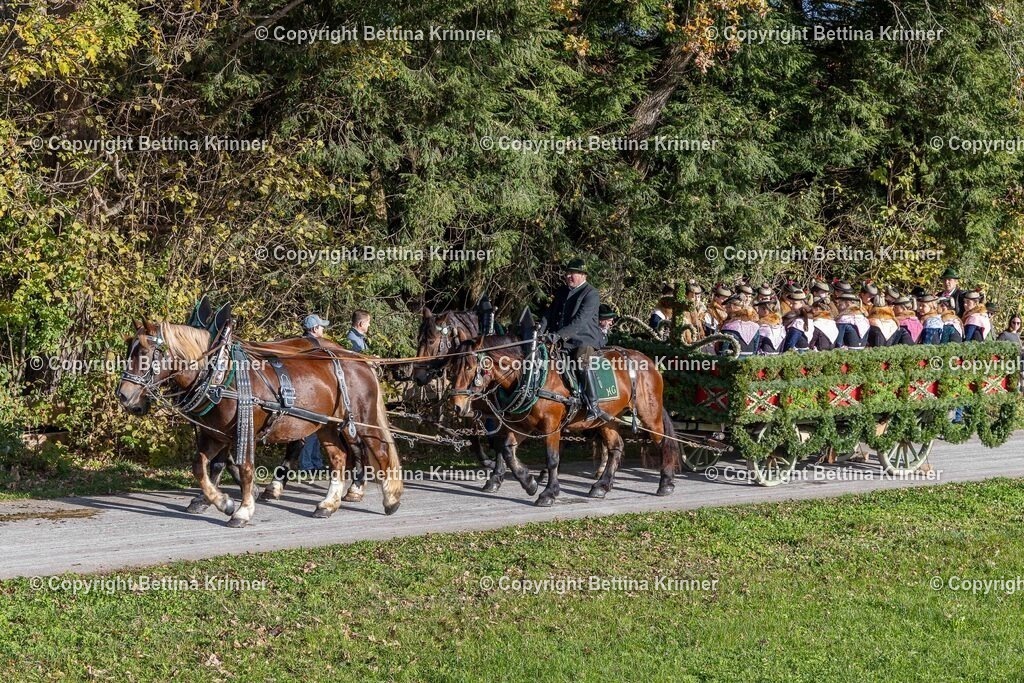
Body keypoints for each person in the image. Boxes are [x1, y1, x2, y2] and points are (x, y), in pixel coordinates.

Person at [540, 257, 604, 420]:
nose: (568, 276)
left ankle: (593, 404)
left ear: (583, 275)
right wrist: (540, 331)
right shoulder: (562, 291)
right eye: (567, 273)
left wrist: (559, 335)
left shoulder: (591, 293)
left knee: (581, 362)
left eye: (573, 274)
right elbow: (550, 313)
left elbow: (580, 321)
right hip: (561, 339)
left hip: (584, 339)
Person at [290, 314, 330, 471]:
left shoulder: (301, 342)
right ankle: (307, 464)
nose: (323, 329)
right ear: (314, 329)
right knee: (309, 432)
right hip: (309, 392)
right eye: (321, 327)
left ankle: (315, 462)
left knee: (316, 431)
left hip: (306, 390)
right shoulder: (311, 345)